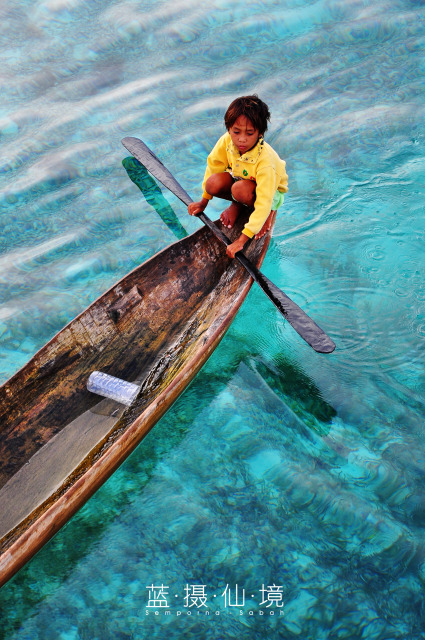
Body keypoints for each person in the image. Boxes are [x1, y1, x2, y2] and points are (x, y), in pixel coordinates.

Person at [188, 95, 288, 258]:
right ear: (229, 129)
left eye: (249, 133)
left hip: (271, 192)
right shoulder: (227, 141)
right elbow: (213, 166)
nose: (241, 139)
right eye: (236, 132)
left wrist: (241, 240)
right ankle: (239, 204)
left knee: (242, 190)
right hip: (242, 180)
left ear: (260, 133)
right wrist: (203, 202)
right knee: (213, 183)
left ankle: (268, 213)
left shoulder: (265, 161)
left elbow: (264, 201)